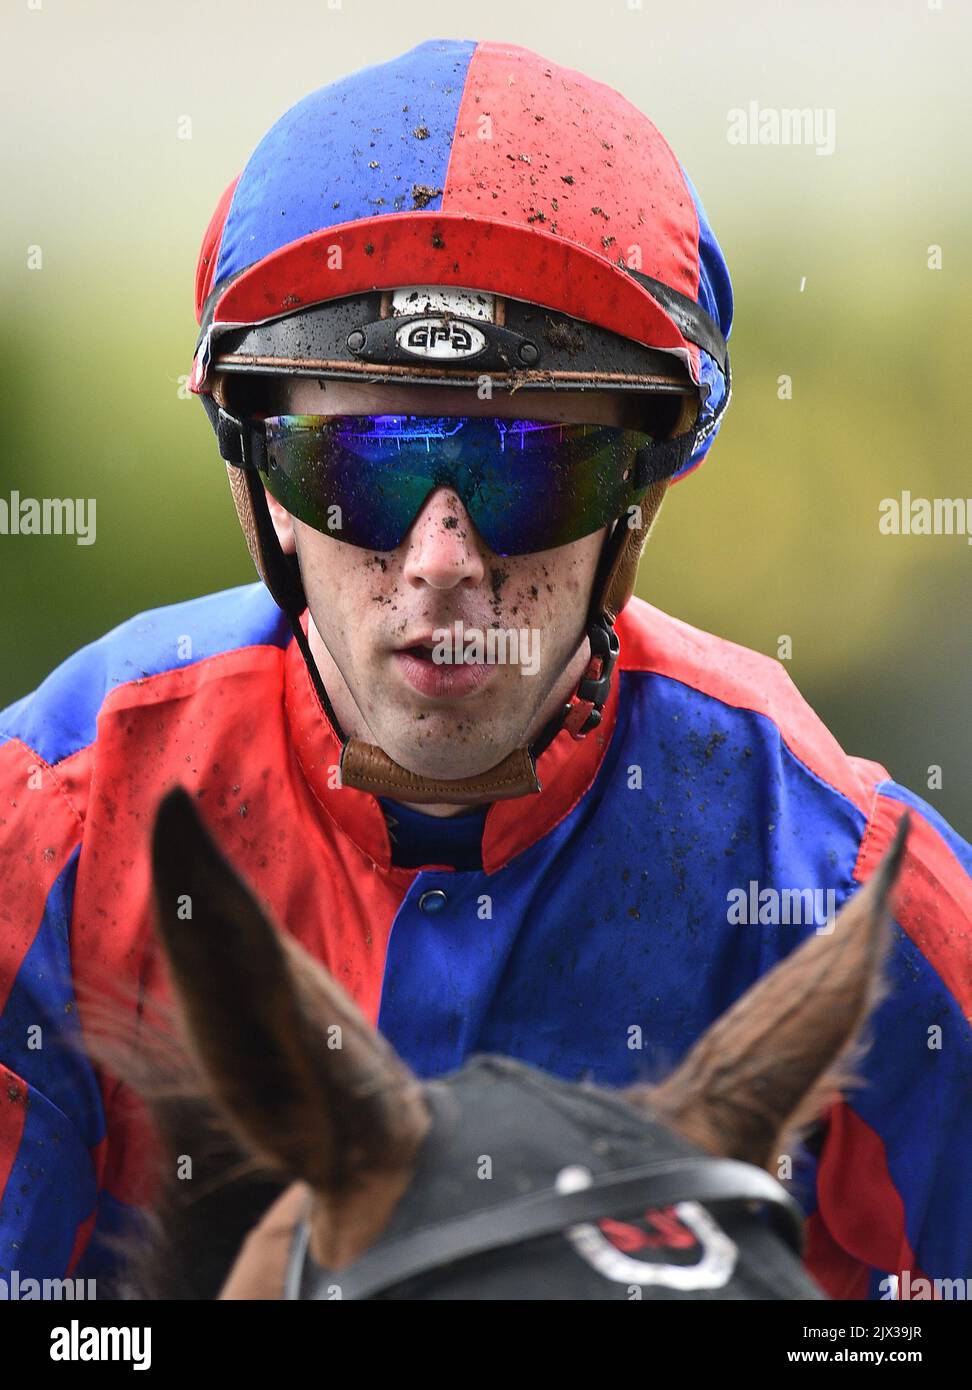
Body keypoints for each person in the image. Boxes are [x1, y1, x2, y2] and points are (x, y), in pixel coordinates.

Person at [1, 38, 969, 1300]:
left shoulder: (860, 894)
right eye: (364, 463)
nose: (442, 559)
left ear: (641, 494)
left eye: (532, 466)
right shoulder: (43, 839)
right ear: (263, 493)